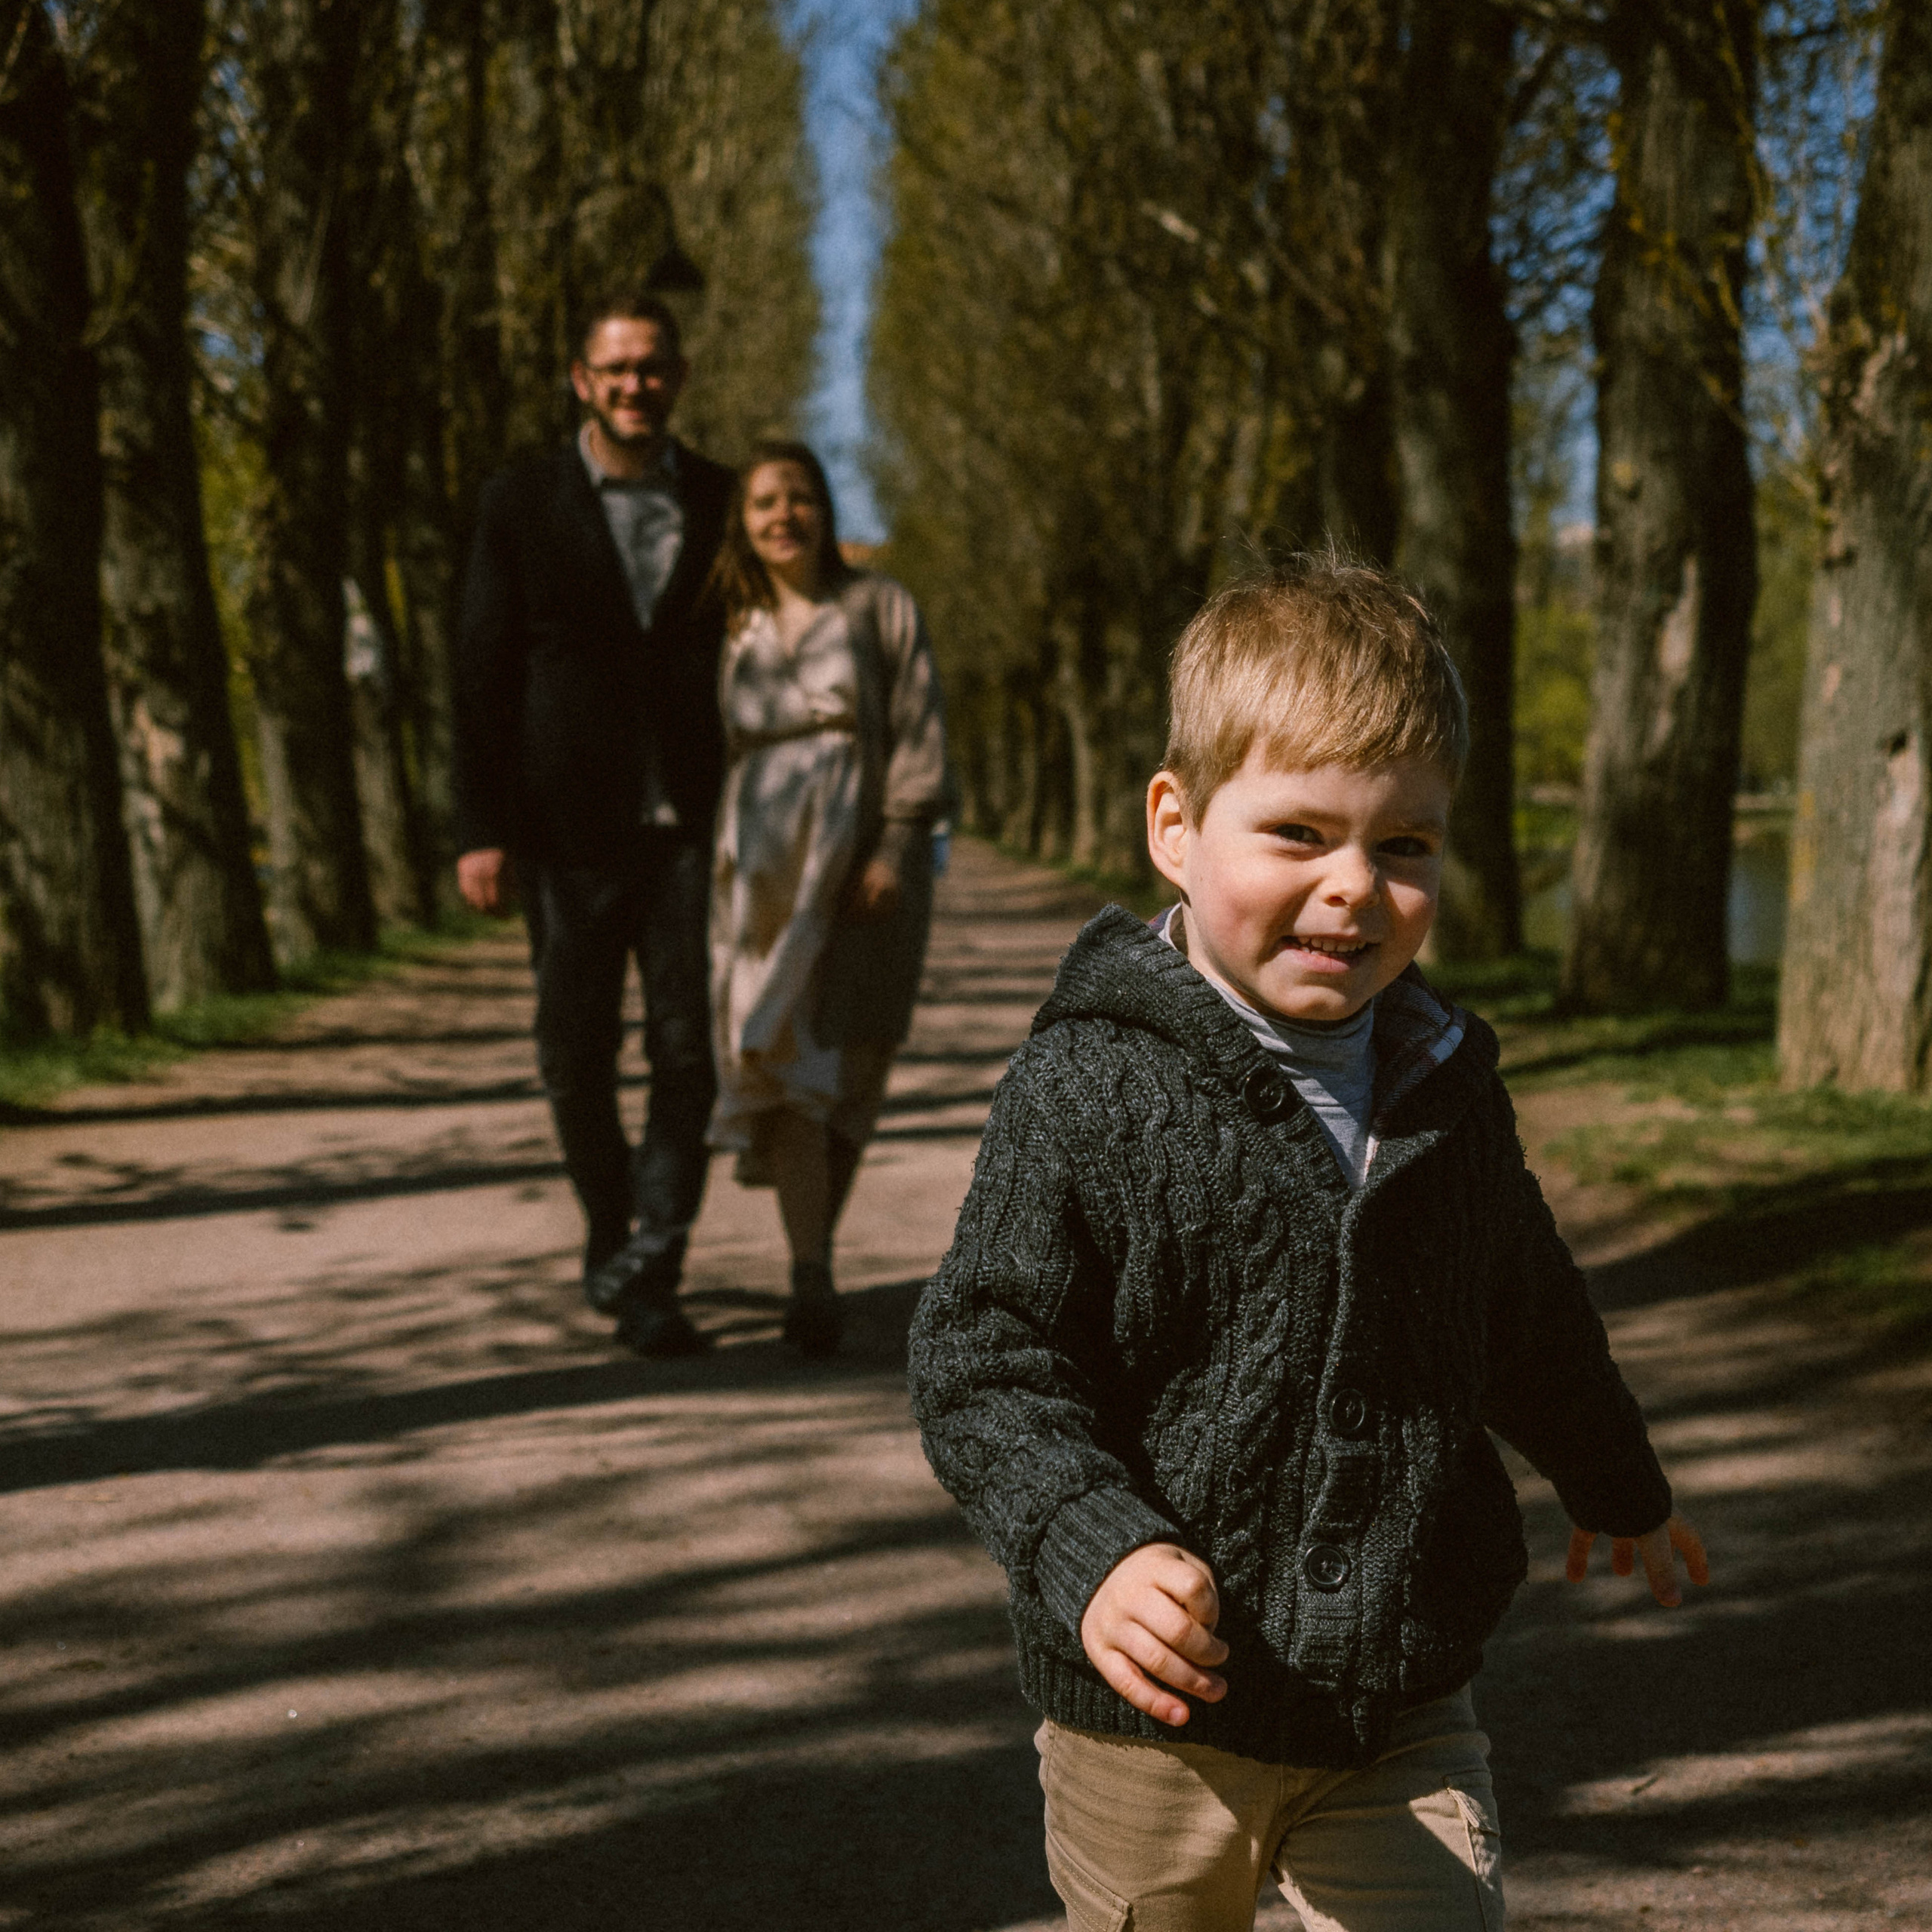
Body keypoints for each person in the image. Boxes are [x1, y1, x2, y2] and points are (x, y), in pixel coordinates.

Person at [907, 553, 1709, 1931]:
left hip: (1399, 1696)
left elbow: (1523, 1310)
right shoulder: (1088, 1084)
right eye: (1298, 834)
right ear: (1176, 825)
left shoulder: (1445, 1090)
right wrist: (1092, 1548)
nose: (1355, 887)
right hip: (1153, 1716)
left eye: (1405, 847)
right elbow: (984, 1358)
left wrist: (1616, 1481)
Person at [453, 292, 735, 1358]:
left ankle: (651, 1264)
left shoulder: (721, 499)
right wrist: (479, 827)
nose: (634, 386)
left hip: (695, 830)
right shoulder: (519, 501)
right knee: (572, 1051)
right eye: (614, 369)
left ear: (679, 377)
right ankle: (611, 1230)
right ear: (582, 380)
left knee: (687, 1051)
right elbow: (481, 669)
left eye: (652, 367)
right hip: (562, 829)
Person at [706, 441, 949, 1356]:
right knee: (784, 1055)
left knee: (857, 1064)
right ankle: (810, 1271)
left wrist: (894, 844)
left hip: (861, 865)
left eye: (799, 496)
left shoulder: (878, 606)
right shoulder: (729, 621)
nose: (783, 515)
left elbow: (920, 729)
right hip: (761, 876)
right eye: (764, 501)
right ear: (742, 521)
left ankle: (816, 1250)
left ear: (825, 509)